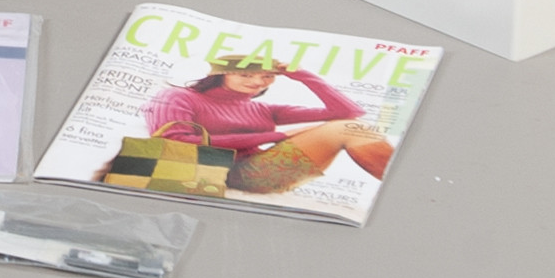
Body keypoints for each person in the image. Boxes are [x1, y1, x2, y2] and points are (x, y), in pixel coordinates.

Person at [131, 55, 394, 196]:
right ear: (219, 74)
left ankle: (395, 186)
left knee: (351, 125)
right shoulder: (178, 96)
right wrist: (277, 136)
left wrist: (304, 76)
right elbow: (174, 141)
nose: (258, 82)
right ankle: (398, 189)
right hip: (225, 173)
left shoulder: (262, 108)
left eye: (268, 76)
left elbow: (348, 112)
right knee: (344, 129)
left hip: (258, 169)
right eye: (246, 74)